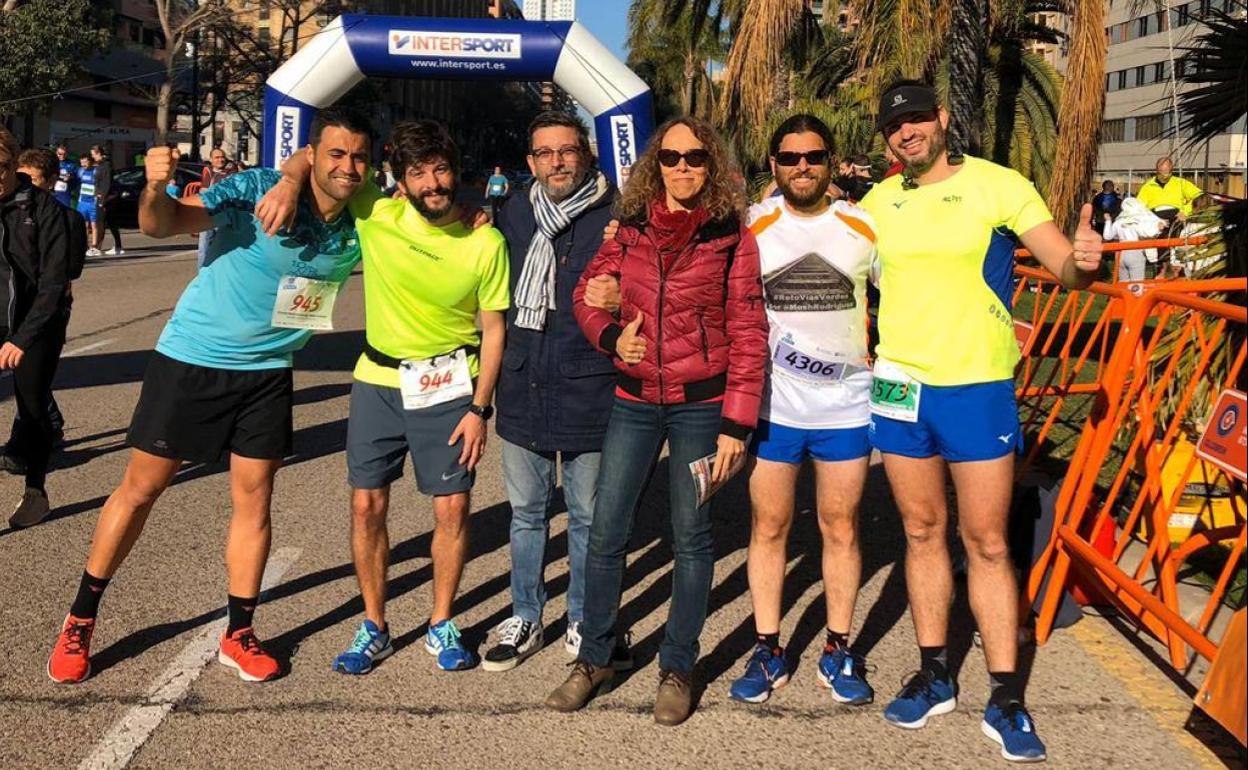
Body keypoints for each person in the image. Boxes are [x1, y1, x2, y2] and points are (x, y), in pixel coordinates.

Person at [46, 108, 371, 685]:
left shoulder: (363, 216)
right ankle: (80, 617)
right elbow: (164, 225)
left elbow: (426, 210)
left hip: (269, 372)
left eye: (359, 157)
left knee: (255, 502)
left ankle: (238, 633)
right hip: (193, 359)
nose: (348, 166)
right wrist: (153, 187)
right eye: (336, 154)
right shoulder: (256, 189)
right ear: (317, 155)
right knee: (142, 489)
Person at [859, 80, 1102, 762]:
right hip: (901, 384)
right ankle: (935, 674)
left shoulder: (999, 185)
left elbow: (1060, 261)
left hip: (976, 386)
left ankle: (1005, 693)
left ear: (941, 119)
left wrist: (1082, 266)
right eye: (893, 125)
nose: (905, 133)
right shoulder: (880, 200)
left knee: (988, 540)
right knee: (921, 529)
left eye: (914, 119)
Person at [260, 120, 509, 675]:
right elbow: (318, 165)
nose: (432, 183)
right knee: (366, 505)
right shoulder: (377, 212)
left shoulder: (484, 240)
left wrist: (479, 409)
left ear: (456, 173)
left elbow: (493, 329)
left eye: (440, 170)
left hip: (449, 385)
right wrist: (285, 183)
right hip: (378, 380)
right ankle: (374, 624)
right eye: (418, 173)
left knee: (451, 508)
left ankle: (440, 623)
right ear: (400, 180)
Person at [545, 116, 769, 726]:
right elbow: (586, 294)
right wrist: (615, 339)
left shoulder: (731, 235)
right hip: (634, 402)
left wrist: (736, 423)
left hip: (702, 406)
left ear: (711, 163)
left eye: (695, 157)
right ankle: (595, 656)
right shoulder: (630, 229)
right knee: (607, 528)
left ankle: (678, 665)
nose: (683, 168)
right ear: (656, 165)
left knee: (692, 538)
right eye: (671, 158)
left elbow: (750, 332)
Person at [719, 115, 879, 707]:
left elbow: (906, 294)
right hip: (774, 405)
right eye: (790, 158)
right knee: (769, 526)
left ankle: (838, 648)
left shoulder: (864, 226)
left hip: (845, 406)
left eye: (813, 156)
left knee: (840, 527)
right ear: (774, 165)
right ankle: (768, 648)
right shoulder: (754, 225)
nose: (802, 167)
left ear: (831, 161)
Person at [477, 112, 619, 672]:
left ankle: (583, 617)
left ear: (584, 153)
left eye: (566, 150)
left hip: (590, 385)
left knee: (587, 515)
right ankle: (527, 614)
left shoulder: (617, 213)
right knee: (527, 512)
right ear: (531, 161)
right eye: (544, 153)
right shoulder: (513, 210)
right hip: (523, 382)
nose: (556, 161)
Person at [0, 131, 72, 529]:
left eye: (1, 167)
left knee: (32, 408)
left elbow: (54, 283)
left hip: (34, 323)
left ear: (14, 165)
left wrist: (20, 339)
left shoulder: (44, 210)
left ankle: (35, 492)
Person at [1103, 198, 1163, 282]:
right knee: (1137, 284)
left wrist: (1108, 221)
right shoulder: (1136, 221)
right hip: (1135, 251)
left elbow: (1107, 236)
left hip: (1121, 253)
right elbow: (1147, 233)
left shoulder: (1118, 222)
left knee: (1123, 283)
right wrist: (1158, 229)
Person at [197, 147, 237, 268]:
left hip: (224, 215)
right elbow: (203, 191)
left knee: (223, 248)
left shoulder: (231, 172)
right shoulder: (207, 171)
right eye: (217, 157)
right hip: (207, 214)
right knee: (203, 247)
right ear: (211, 159)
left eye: (222, 157)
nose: (220, 160)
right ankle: (202, 276)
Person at [1136, 157, 1202, 225]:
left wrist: (1185, 212)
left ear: (1171, 170)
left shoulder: (1181, 183)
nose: (1165, 175)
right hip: (1155, 219)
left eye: (1168, 171)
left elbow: (1199, 196)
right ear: (1157, 170)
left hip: (1177, 217)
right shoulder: (1147, 186)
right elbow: (1139, 206)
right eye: (1162, 171)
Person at [90, 145, 123, 257]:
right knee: (110, 222)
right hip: (101, 196)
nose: (92, 156)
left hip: (105, 198)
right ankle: (118, 246)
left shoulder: (105, 165)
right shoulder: (100, 165)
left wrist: (102, 198)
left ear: (98, 153)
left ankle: (97, 248)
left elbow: (106, 183)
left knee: (101, 223)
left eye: (93, 154)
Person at [76, 155, 97, 254]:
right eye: (81, 162)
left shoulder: (96, 171)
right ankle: (85, 245)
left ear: (90, 162)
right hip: (82, 201)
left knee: (94, 224)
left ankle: (94, 246)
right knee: (84, 224)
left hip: (92, 201)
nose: (83, 164)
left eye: (85, 162)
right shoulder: (80, 171)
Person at [53, 144, 77, 209]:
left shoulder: (71, 164)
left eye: (64, 154)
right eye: (60, 154)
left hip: (65, 193)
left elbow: (75, 176)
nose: (62, 156)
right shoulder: (51, 162)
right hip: (52, 192)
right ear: (56, 153)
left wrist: (70, 177)